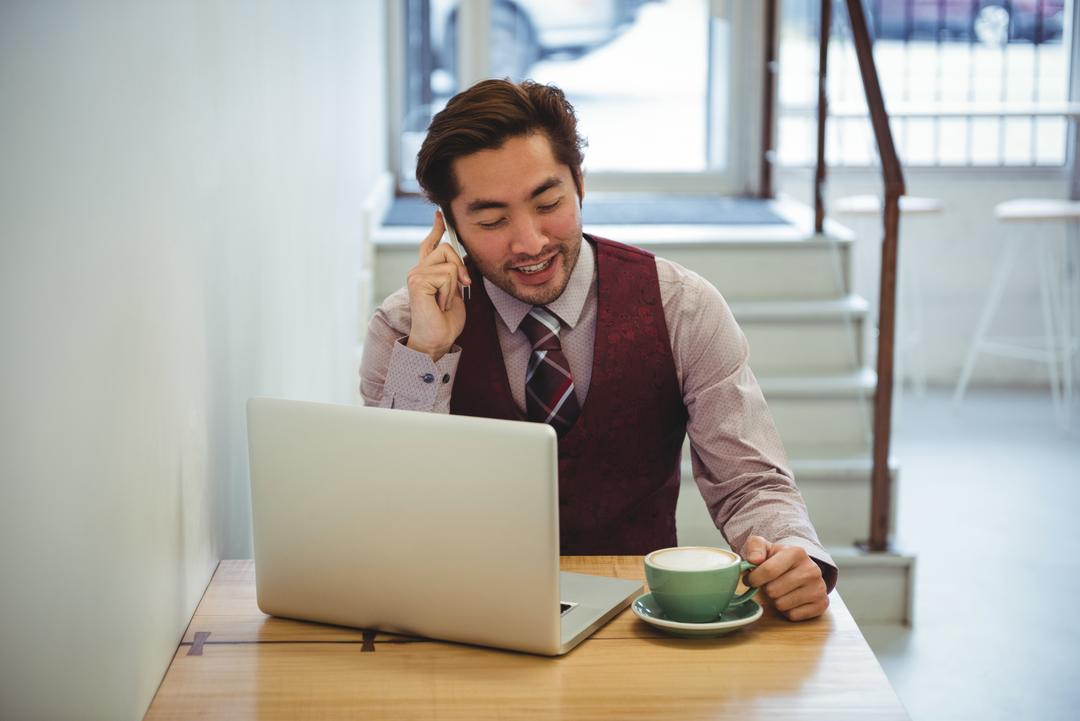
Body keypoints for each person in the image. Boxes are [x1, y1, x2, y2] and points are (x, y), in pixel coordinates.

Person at [361, 79, 835, 621]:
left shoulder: (681, 306)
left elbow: (749, 480)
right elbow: (391, 509)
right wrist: (427, 353)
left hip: (641, 616)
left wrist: (793, 553)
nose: (530, 241)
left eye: (548, 203)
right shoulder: (405, 326)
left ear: (579, 183)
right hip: (463, 615)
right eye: (491, 221)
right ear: (447, 226)